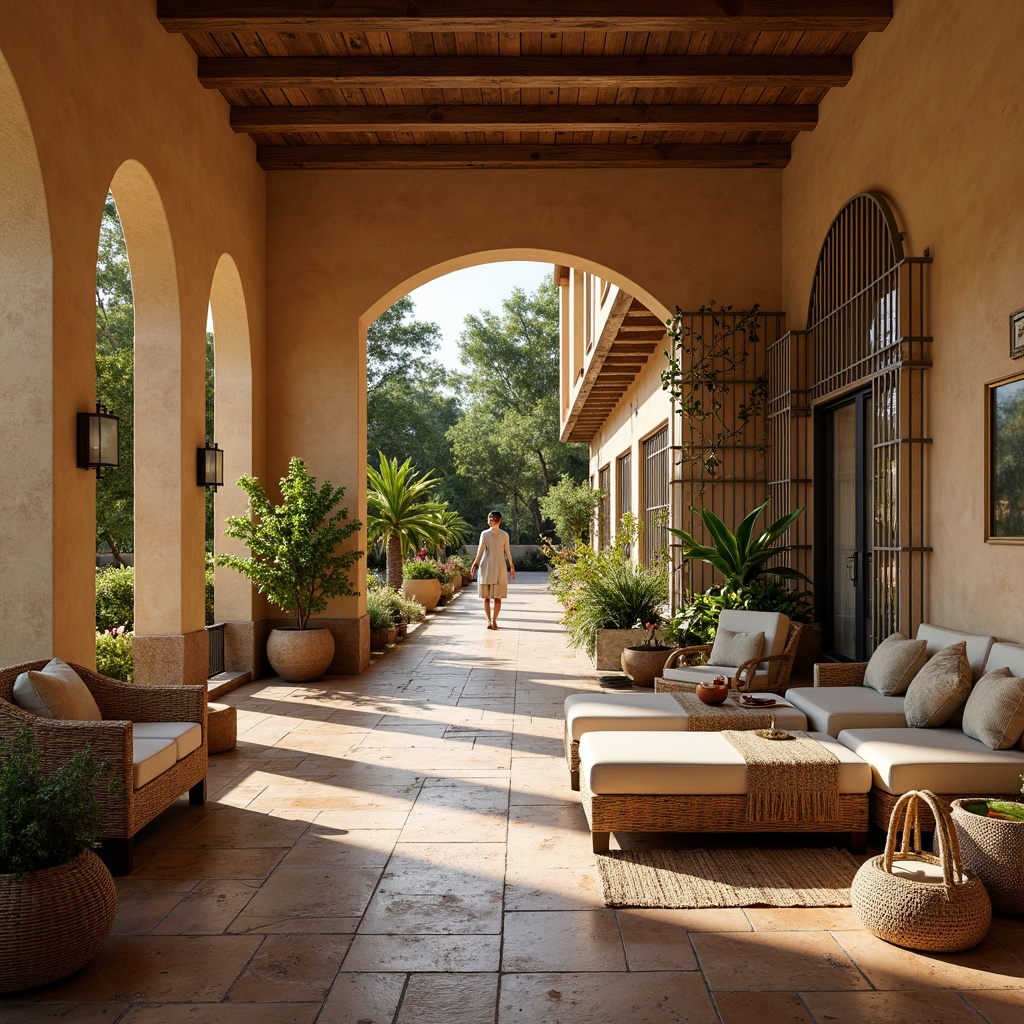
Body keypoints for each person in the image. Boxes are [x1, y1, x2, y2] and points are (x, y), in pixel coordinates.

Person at [470, 511, 515, 629]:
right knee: (490, 597)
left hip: (495, 567)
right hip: (490, 567)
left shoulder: (501, 534)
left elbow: (506, 551)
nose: (493, 519)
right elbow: (481, 551)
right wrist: (475, 563)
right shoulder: (488, 534)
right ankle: (490, 620)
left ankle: (492, 620)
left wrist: (511, 565)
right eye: (492, 517)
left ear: (499, 520)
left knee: (493, 597)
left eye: (495, 518)